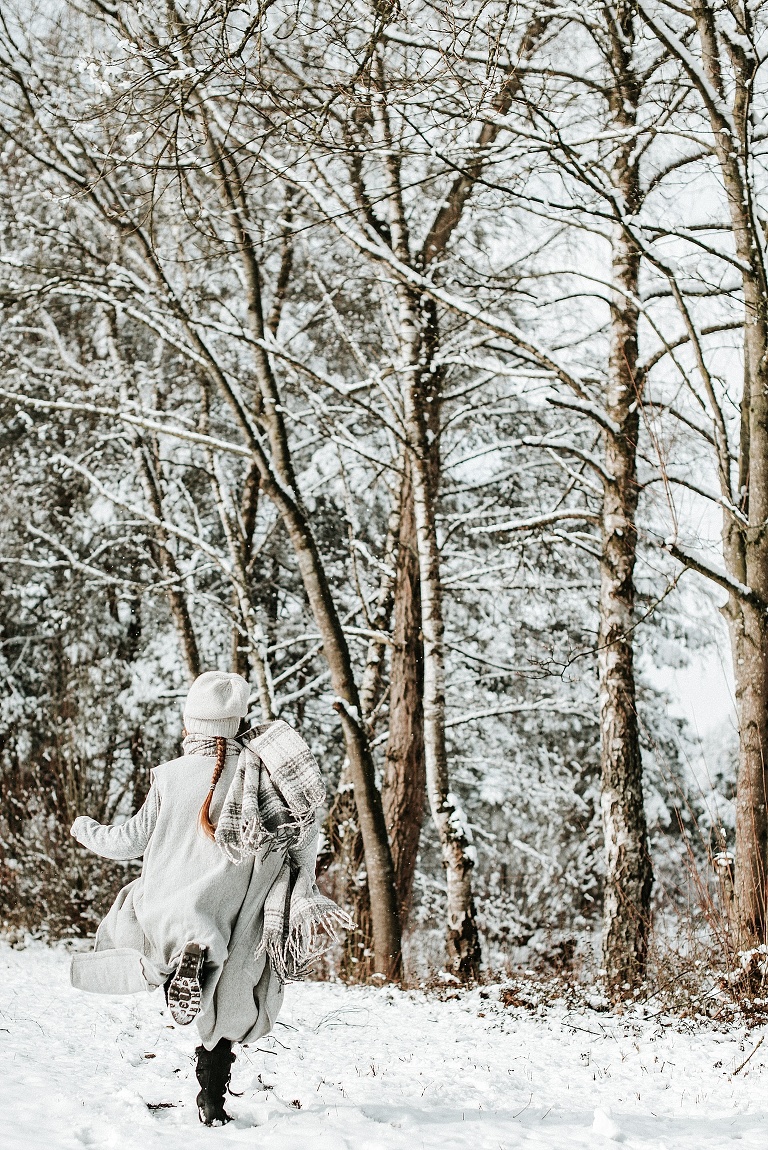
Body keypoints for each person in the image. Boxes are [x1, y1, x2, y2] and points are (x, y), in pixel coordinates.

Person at [70, 670, 348, 1126]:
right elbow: (301, 834)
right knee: (229, 999)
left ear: (191, 723)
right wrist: (303, 879)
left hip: (173, 899)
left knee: (137, 923)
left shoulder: (170, 777)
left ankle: (178, 972)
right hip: (237, 904)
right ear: (237, 722)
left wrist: (86, 829)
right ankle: (212, 1098)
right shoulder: (263, 774)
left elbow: (129, 841)